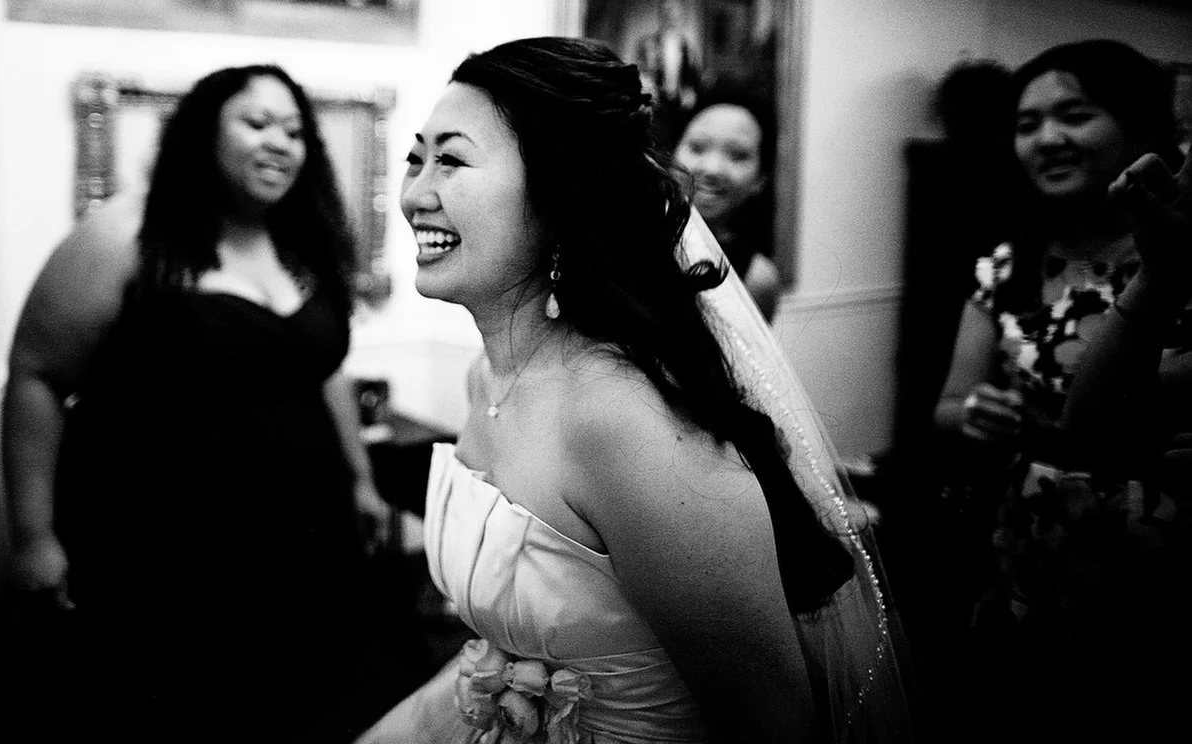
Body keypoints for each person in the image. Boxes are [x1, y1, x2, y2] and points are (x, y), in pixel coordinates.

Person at [360, 37, 912, 743]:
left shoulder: (626, 423)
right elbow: (504, 651)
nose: (415, 195)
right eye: (416, 158)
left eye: (453, 160)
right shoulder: (487, 377)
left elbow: (775, 725)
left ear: (559, 195)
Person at [0, 65, 428, 737]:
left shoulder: (302, 242)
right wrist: (33, 538)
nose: (280, 144)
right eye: (256, 123)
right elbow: (36, 376)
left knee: (299, 704)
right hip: (165, 544)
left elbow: (323, 371)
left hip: (303, 536)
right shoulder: (127, 233)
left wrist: (362, 482)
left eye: (294, 131)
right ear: (202, 132)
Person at [928, 39, 1184, 740]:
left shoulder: (1179, 256)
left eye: (1074, 115)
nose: (1048, 139)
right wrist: (974, 414)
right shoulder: (1008, 265)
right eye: (1027, 124)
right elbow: (947, 407)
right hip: (1032, 541)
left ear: (1142, 130)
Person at [672, 89, 781, 321]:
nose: (712, 168)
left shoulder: (757, 279)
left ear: (760, 179)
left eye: (737, 155)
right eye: (698, 147)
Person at [633, 0, 703, 148]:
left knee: (677, 139)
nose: (672, 19)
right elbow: (641, 70)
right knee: (656, 138)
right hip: (656, 99)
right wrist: (648, 86)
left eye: (676, 15)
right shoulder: (648, 44)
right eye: (668, 14)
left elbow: (693, 74)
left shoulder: (688, 46)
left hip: (678, 102)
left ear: (681, 18)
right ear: (661, 16)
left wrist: (689, 90)